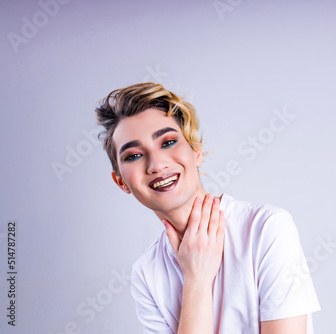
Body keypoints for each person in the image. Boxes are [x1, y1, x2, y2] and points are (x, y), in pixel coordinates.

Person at [95, 82, 321, 333]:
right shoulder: (147, 273)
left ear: (195, 151)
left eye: (168, 142)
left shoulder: (266, 228)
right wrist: (197, 280)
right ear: (121, 182)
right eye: (134, 155)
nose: (156, 165)